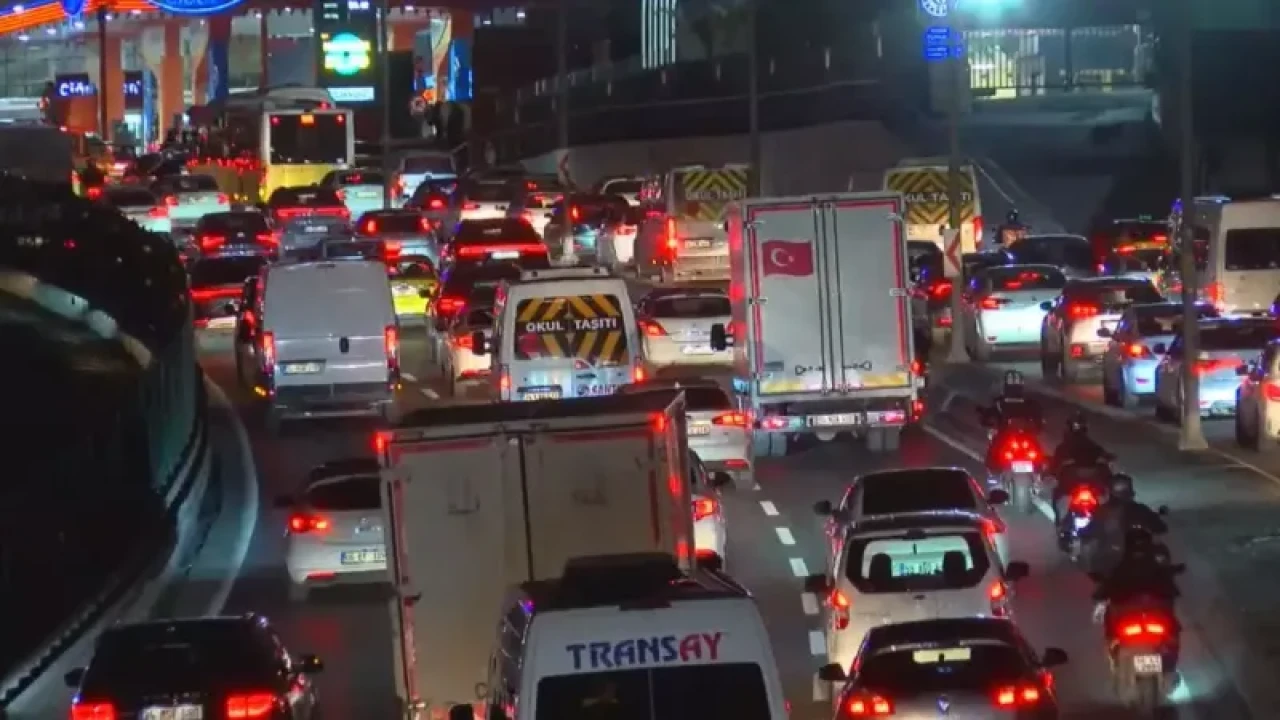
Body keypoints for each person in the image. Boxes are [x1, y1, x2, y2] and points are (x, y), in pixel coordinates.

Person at [1081, 473, 1167, 571]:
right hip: (1117, 556)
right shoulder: (1139, 508)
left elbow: (1159, 526)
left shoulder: (1103, 511)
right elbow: (1160, 526)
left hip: (1132, 554)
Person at [1048, 412, 1113, 522]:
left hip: (1074, 486)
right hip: (1092, 485)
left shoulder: (1063, 447)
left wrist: (1051, 473)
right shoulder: (1092, 445)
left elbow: (1054, 467)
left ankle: (1059, 522)